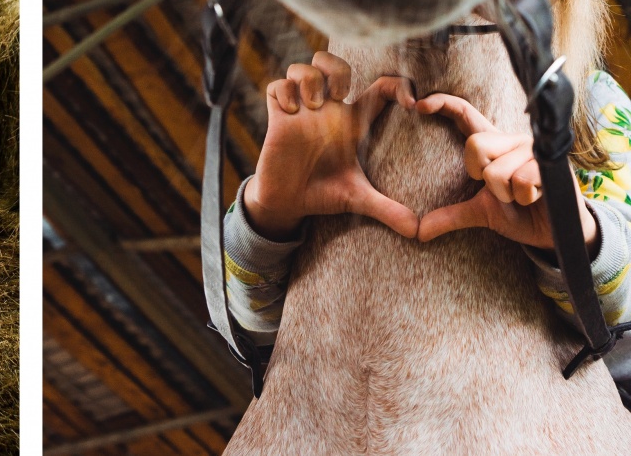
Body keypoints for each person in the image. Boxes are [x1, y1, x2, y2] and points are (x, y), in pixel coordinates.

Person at [224, 51, 631, 360]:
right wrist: (267, 215)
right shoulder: (327, 103)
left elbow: (624, 337)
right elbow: (256, 339)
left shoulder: (593, 104)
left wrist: (576, 243)